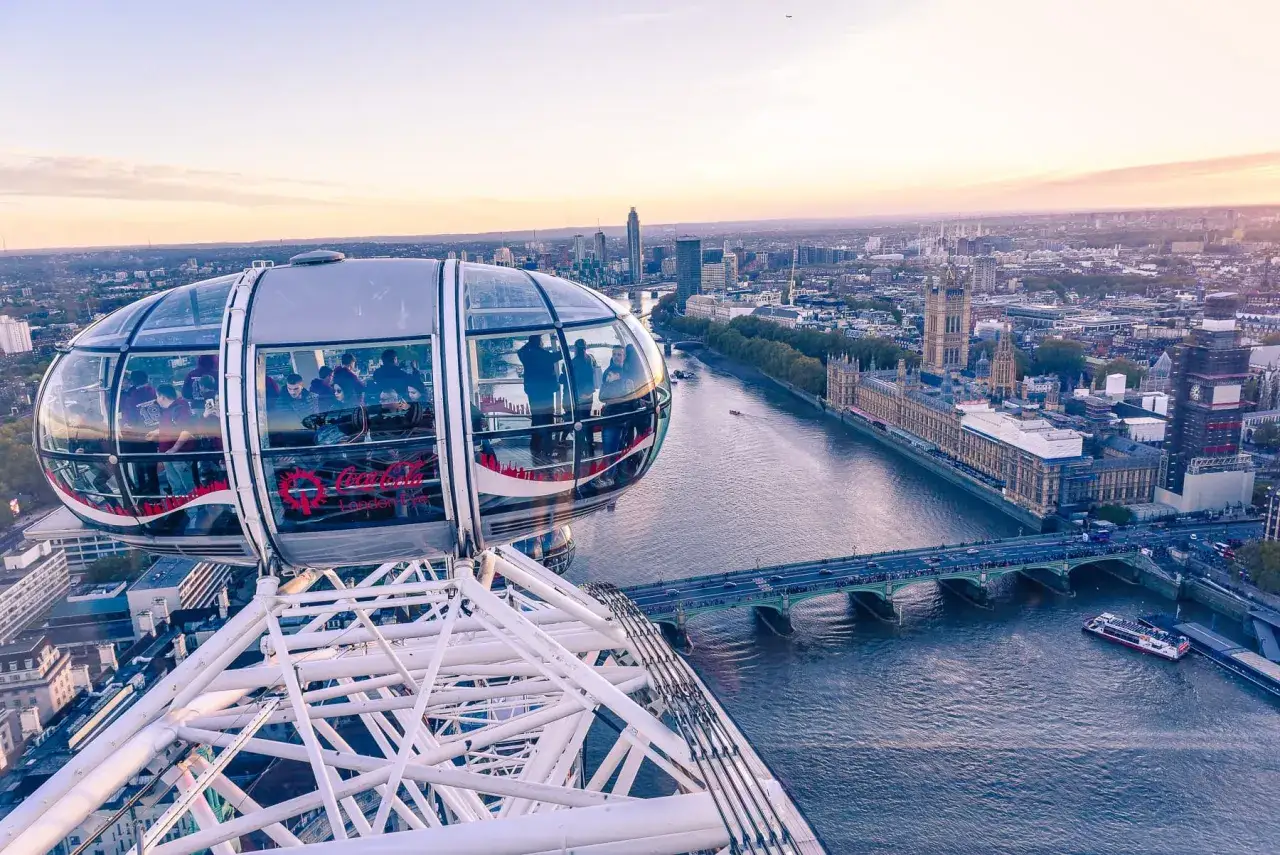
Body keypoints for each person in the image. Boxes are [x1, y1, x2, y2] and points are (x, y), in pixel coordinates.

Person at [517, 335, 562, 464]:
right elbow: (560, 355)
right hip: (546, 392)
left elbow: (519, 351)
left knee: (536, 418)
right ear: (539, 342)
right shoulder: (545, 354)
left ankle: (535, 445)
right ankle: (547, 448)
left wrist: (530, 344)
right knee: (548, 419)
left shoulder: (526, 355)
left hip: (533, 392)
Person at [146, 384, 196, 497]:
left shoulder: (180, 408)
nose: (156, 399)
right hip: (168, 455)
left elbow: (186, 431)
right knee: (176, 486)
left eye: (157, 396)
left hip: (178, 456)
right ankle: (182, 509)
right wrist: (156, 432)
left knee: (188, 487)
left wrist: (174, 449)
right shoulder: (169, 410)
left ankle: (195, 512)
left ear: (162, 397)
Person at [599, 345, 633, 459]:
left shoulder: (626, 372)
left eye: (619, 354)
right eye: (614, 354)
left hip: (624, 418)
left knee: (621, 453)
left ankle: (614, 474)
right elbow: (603, 397)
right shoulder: (610, 373)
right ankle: (608, 475)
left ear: (624, 356)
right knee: (610, 454)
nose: (616, 357)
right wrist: (613, 383)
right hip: (612, 417)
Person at [567, 338, 599, 455]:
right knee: (587, 418)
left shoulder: (574, 362)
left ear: (576, 348)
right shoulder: (590, 359)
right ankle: (590, 443)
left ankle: (580, 447)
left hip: (579, 395)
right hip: (589, 394)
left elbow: (570, 377)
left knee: (579, 420)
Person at [268, 373, 317, 447]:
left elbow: (317, 416)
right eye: (289, 389)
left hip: (312, 436)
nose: (292, 392)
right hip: (292, 439)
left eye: (296, 389)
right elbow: (283, 423)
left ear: (302, 386)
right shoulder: (281, 401)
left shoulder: (312, 397)